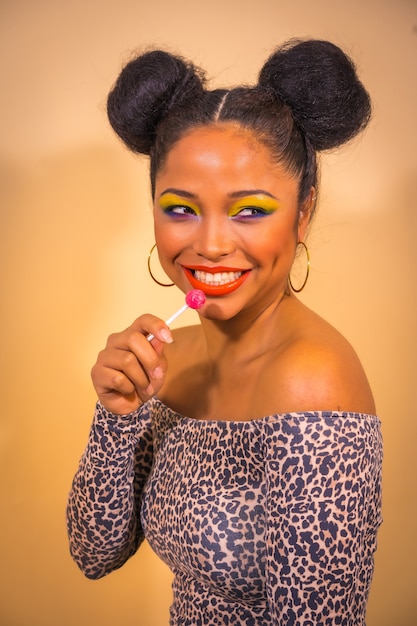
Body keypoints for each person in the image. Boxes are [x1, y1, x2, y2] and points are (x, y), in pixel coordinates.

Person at [67, 39, 383, 625]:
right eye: (181, 208)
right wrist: (116, 417)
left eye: (251, 209)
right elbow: (93, 552)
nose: (209, 244)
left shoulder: (312, 382)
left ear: (304, 210)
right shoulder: (167, 357)